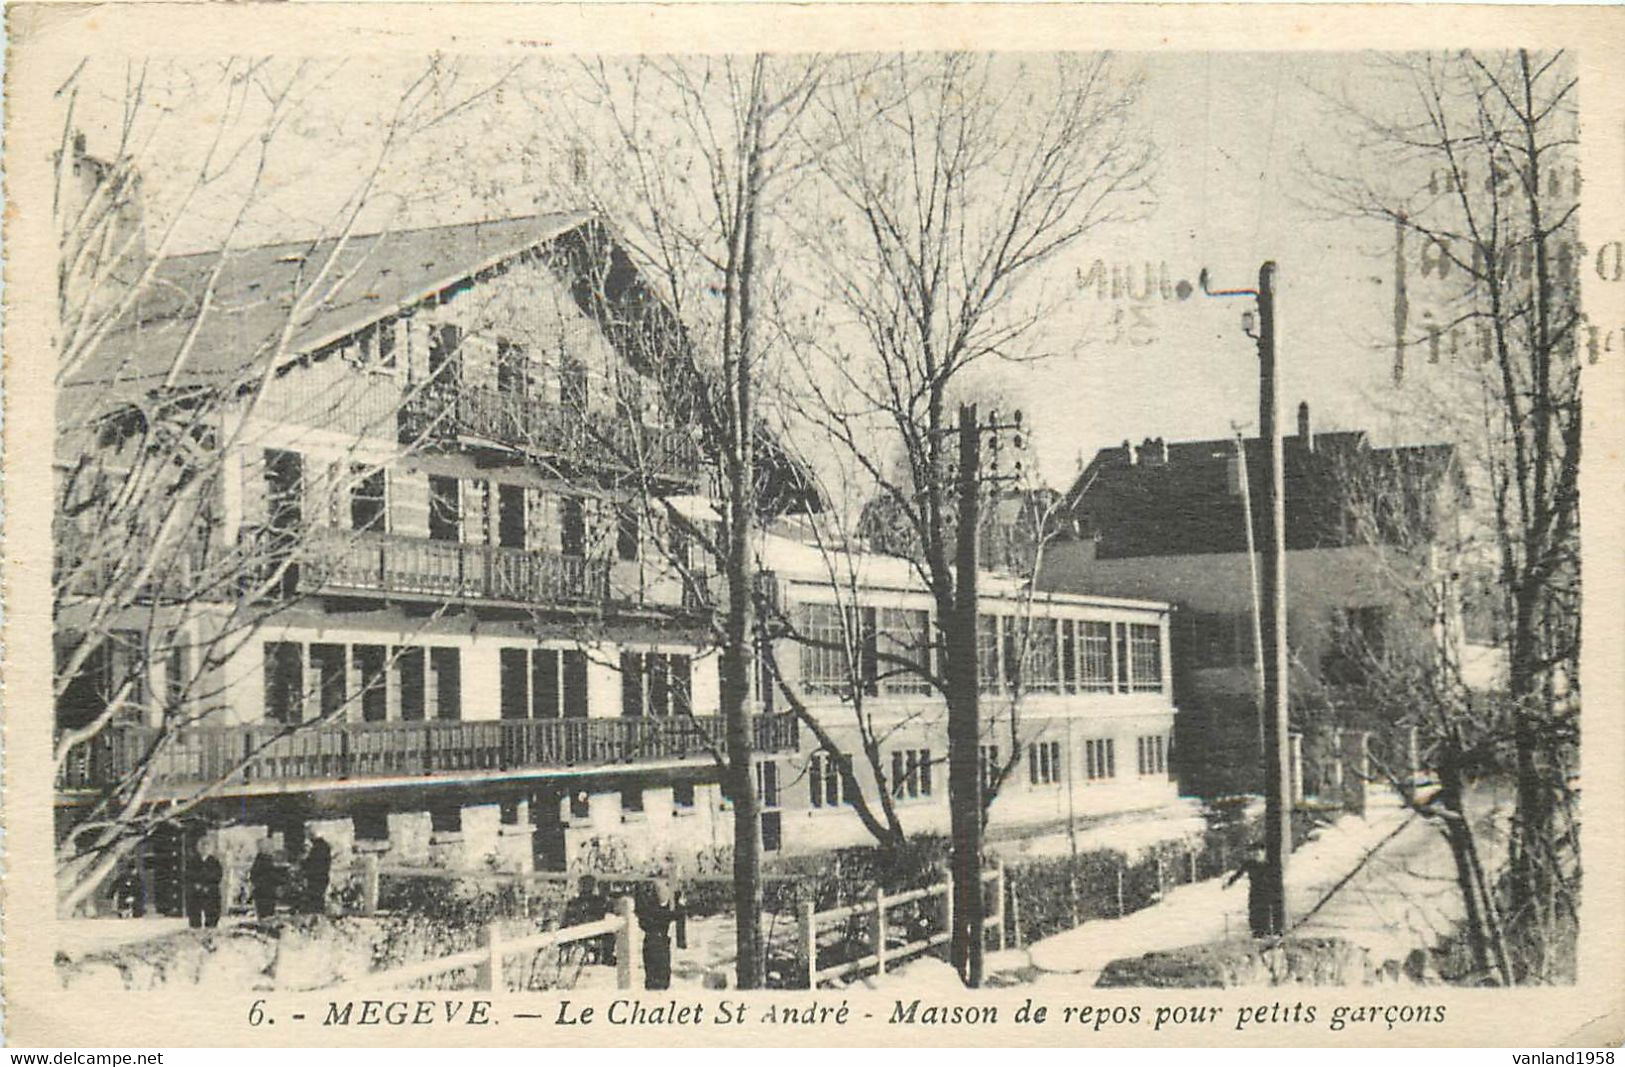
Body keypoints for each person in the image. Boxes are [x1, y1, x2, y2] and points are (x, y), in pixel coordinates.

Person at [636, 878, 678, 990]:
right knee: (658, 975)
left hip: (655, 940)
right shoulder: (663, 911)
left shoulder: (651, 910)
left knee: (657, 976)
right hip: (657, 941)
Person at [1225, 845, 1274, 937]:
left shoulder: (1269, 864)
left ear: (1264, 853)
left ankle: (1266, 931)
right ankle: (1256, 932)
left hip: (1266, 891)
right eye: (1255, 852)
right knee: (1254, 910)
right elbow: (1238, 874)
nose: (1257, 854)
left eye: (1259, 852)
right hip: (1255, 891)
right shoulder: (1249, 864)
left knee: (1265, 910)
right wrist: (1229, 883)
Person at [562, 875, 611, 965]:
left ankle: (606, 957)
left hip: (590, 931)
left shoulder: (598, 901)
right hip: (583, 932)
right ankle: (606, 957)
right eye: (585, 884)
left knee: (609, 933)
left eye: (588, 884)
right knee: (608, 934)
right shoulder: (576, 902)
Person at [185, 837, 224, 929]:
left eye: (207, 847)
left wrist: (208, 885)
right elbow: (189, 874)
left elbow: (218, 876)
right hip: (196, 891)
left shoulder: (214, 862)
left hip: (211, 891)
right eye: (202, 846)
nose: (205, 849)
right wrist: (196, 884)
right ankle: (195, 930)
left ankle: (210, 929)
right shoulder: (193, 861)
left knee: (211, 913)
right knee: (195, 914)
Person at [249, 838, 285, 919]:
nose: (272, 850)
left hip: (260, 894)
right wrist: (283, 880)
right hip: (267, 894)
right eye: (271, 847)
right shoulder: (266, 861)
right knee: (267, 917)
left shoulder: (259, 861)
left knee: (263, 916)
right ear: (266, 849)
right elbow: (272, 876)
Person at [301, 834, 333, 915]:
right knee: (319, 895)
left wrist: (304, 864)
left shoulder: (317, 849)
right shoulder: (325, 847)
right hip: (323, 875)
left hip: (315, 876)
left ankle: (314, 912)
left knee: (314, 895)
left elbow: (311, 863)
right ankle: (318, 912)